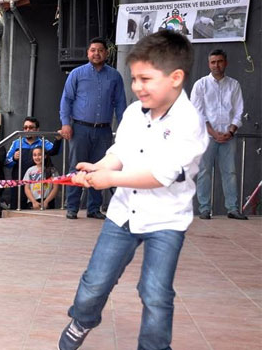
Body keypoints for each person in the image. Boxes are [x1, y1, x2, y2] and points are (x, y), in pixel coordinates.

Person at [56, 30, 209, 350]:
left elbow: (161, 175)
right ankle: (82, 318)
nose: (137, 87)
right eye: (134, 79)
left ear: (175, 77)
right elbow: (120, 153)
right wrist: (99, 168)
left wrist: (110, 181)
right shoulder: (133, 113)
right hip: (124, 211)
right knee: (95, 283)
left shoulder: (189, 122)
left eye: (145, 79)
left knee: (155, 293)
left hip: (167, 219)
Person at [59, 37, 126, 220]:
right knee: (76, 168)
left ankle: (94, 208)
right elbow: (66, 100)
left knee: (100, 169)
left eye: (100, 50)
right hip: (80, 129)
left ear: (106, 53)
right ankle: (72, 207)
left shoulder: (114, 76)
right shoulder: (77, 74)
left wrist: (125, 129)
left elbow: (120, 104)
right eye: (93, 50)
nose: (96, 53)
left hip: (103, 130)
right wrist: (65, 123)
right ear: (88, 53)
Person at [191, 49, 247, 220]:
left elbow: (239, 110)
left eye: (220, 61)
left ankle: (232, 208)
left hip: (228, 137)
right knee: (204, 172)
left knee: (230, 172)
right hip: (207, 137)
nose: (216, 65)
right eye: (213, 62)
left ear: (226, 63)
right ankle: (205, 209)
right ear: (209, 64)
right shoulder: (200, 85)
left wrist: (230, 131)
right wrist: (214, 133)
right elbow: (198, 113)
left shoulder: (234, 85)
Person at [5, 116, 59, 210]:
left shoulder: (43, 142)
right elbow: (6, 162)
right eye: (25, 127)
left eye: (31, 127)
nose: (27, 130)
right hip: (19, 185)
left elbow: (54, 151)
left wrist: (58, 140)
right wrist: (13, 158)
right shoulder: (16, 143)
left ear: (37, 130)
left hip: (39, 188)